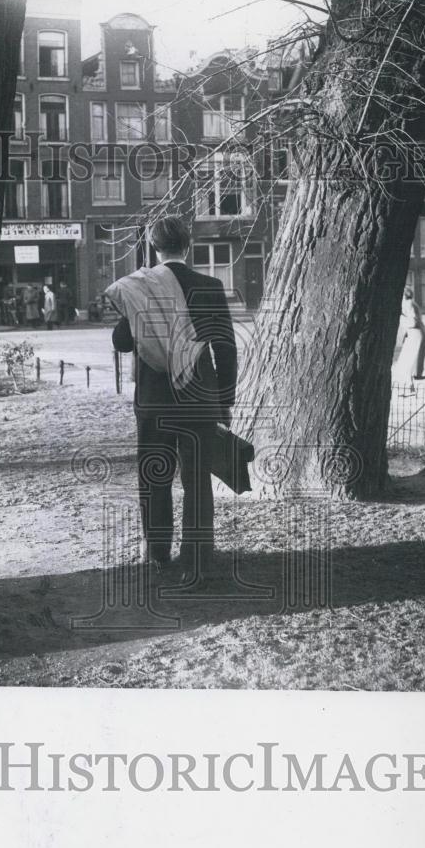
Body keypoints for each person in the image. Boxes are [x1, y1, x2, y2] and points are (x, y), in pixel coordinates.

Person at [107, 216, 237, 587]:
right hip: (199, 400)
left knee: (155, 477)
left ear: (153, 246)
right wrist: (223, 399)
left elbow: (122, 343)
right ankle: (197, 554)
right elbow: (225, 349)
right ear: (188, 244)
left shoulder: (140, 289)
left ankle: (158, 554)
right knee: (197, 479)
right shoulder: (210, 286)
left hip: (154, 401)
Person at [392, 287, 425, 387]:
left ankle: (409, 380)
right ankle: (414, 376)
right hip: (418, 332)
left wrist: (400, 316)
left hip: (416, 333)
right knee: (414, 356)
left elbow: (413, 321)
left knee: (410, 357)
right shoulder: (412, 303)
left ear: (404, 295)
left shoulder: (408, 304)